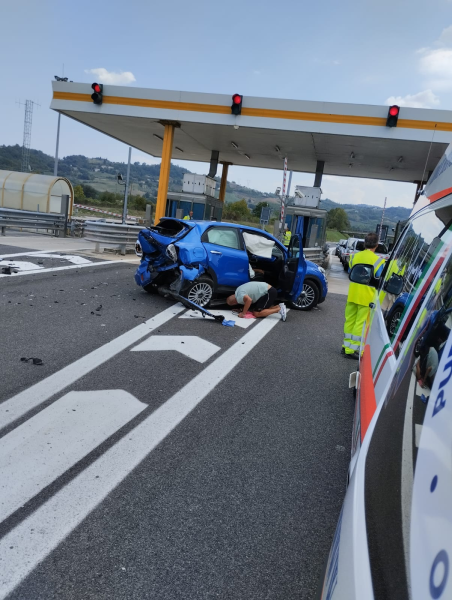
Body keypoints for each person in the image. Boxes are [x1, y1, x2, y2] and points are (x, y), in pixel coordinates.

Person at [342, 232, 386, 359]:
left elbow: (350, 271)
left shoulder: (354, 256)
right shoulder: (378, 261)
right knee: (361, 323)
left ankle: (346, 347)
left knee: (349, 320)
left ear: (365, 243)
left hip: (353, 293)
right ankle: (353, 350)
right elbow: (378, 278)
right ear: (376, 245)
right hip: (367, 296)